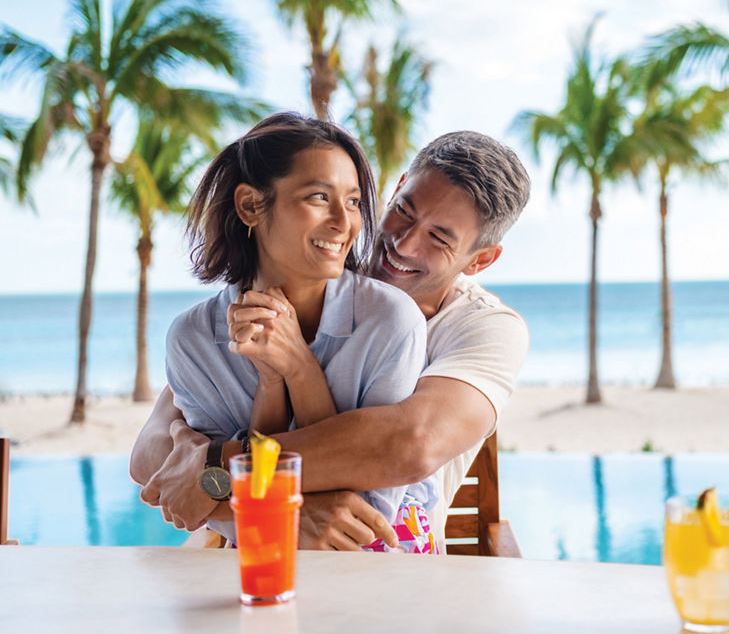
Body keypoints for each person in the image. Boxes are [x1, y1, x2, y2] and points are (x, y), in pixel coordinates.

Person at [131, 130, 531, 551]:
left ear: (481, 259)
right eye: (404, 211)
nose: (403, 243)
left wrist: (218, 469)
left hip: (379, 546)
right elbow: (153, 452)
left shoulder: (483, 328)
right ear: (394, 190)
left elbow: (407, 445)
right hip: (255, 540)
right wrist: (274, 515)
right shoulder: (311, 267)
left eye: (439, 238)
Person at [162, 111, 438, 553]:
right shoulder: (193, 339)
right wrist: (272, 382)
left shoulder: (389, 320)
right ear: (250, 205)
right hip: (261, 551)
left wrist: (298, 366)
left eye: (352, 202)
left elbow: (364, 513)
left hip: (381, 557)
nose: (343, 222)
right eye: (318, 197)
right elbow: (196, 493)